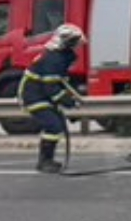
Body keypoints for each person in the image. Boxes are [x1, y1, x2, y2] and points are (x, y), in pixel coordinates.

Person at [18, 23, 84, 174]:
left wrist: (70, 101)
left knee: (56, 124)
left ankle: (47, 160)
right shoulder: (53, 59)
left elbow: (60, 82)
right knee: (53, 126)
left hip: (42, 94)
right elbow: (51, 88)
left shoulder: (61, 56)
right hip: (33, 96)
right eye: (74, 42)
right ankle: (44, 161)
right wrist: (69, 102)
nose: (77, 46)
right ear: (65, 42)